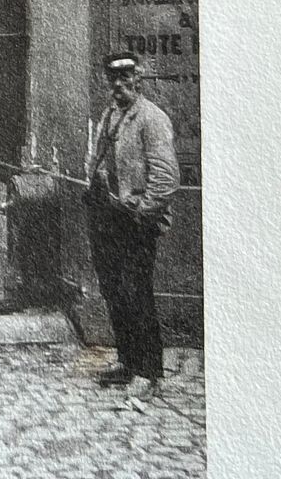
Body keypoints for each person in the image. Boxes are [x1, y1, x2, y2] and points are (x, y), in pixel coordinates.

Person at [85, 51, 179, 398]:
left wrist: (142, 211)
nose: (119, 85)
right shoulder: (110, 115)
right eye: (113, 79)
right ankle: (127, 361)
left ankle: (149, 372)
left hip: (135, 221)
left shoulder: (151, 118)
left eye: (126, 78)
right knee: (114, 291)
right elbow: (98, 159)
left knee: (137, 293)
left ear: (139, 80)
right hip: (107, 217)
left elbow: (166, 177)